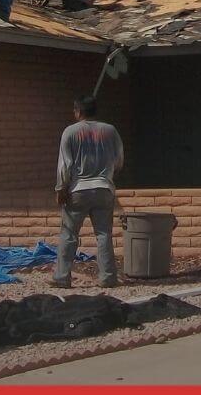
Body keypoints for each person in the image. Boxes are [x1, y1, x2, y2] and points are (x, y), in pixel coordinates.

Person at [52, 96, 124, 288]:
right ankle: (108, 277)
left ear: (78, 111)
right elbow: (119, 160)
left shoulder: (70, 132)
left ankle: (61, 277)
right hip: (104, 188)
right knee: (103, 234)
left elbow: (64, 165)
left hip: (78, 190)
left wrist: (61, 189)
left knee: (69, 234)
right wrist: (108, 174)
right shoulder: (110, 131)